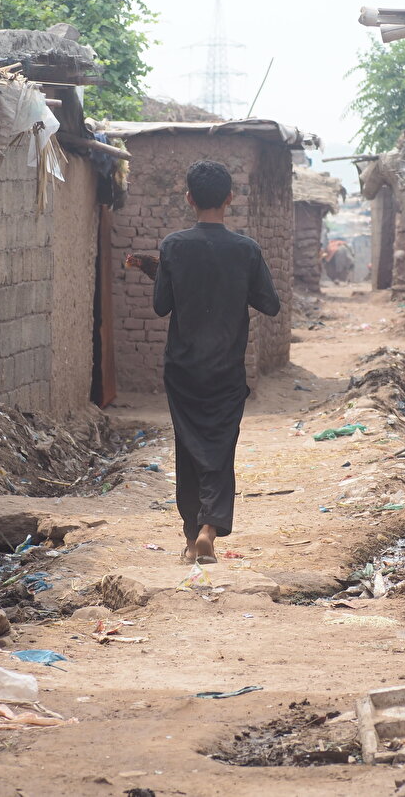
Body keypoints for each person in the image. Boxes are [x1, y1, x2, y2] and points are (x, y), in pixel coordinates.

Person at [152, 160, 280, 563]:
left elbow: (161, 307)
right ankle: (210, 526)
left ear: (189, 199)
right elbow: (270, 305)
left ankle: (192, 539)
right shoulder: (245, 250)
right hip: (226, 370)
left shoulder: (173, 246)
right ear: (229, 197)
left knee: (188, 447)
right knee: (220, 448)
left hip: (184, 370)